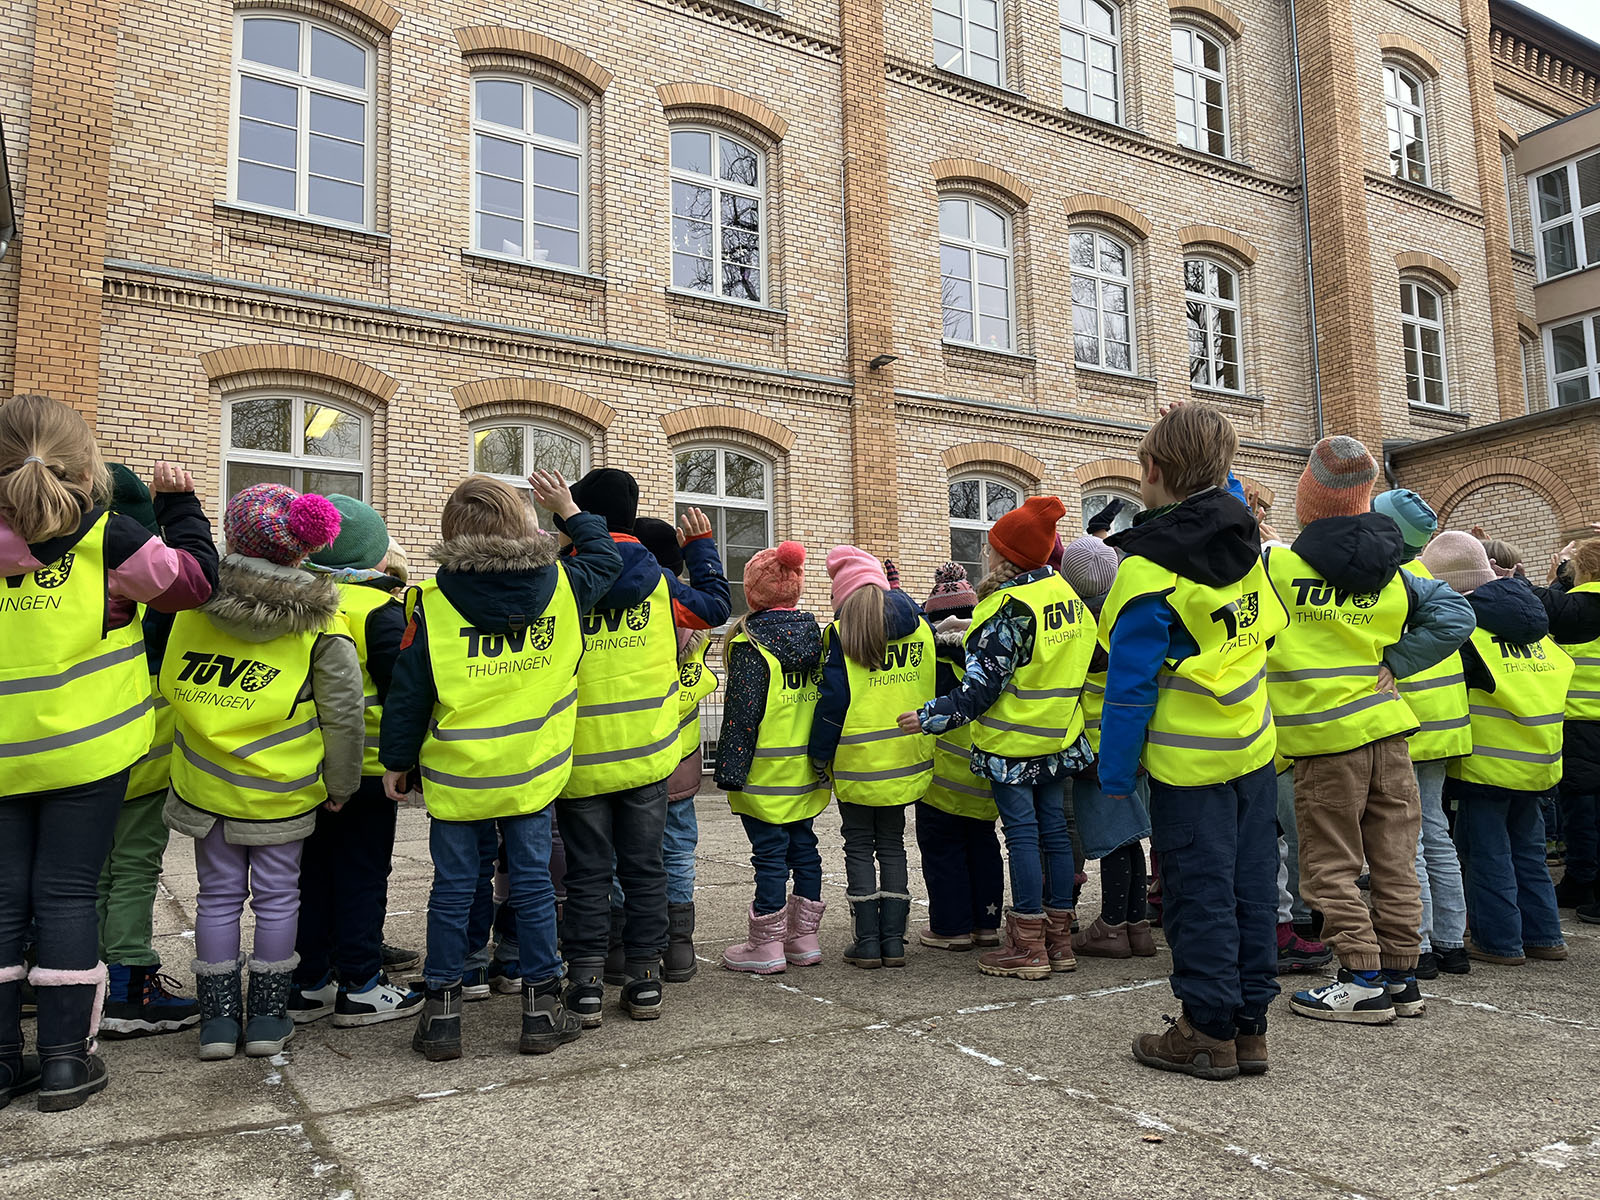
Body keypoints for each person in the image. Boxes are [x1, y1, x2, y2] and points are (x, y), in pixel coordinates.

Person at [0, 394, 215, 1113]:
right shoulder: (110, 539)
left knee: (2, 904)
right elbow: (192, 584)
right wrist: (180, 505)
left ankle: (3, 1063)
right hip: (89, 753)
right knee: (66, 895)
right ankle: (65, 1062)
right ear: (84, 466)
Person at [380, 473, 622, 1060]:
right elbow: (607, 557)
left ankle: (441, 1017)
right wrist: (568, 508)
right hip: (534, 768)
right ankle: (540, 1010)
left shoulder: (430, 605)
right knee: (535, 886)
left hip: (459, 774)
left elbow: (411, 691)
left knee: (454, 889)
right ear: (522, 526)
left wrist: (396, 762)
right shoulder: (565, 587)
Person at [1096, 404, 1287, 1081]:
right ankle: (1250, 1026)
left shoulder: (1147, 572)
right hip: (1254, 749)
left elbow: (1129, 688)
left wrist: (1114, 775)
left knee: (1198, 892)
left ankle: (1205, 1030)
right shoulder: (1247, 543)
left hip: (1188, 762)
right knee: (1252, 889)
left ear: (1150, 472)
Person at [1267, 438, 1473, 1028]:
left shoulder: (1279, 566)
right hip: (1390, 733)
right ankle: (1404, 975)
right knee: (1394, 858)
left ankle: (1360, 979)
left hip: (1326, 742)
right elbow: (1459, 615)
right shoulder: (1397, 573)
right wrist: (1398, 662)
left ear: (1308, 501)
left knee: (1330, 864)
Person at [163, 484, 361, 1063]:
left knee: (217, 899)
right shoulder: (324, 622)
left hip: (205, 781)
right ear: (302, 549)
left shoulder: (193, 602)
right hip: (283, 789)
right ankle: (270, 1019)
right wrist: (342, 783)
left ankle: (219, 1024)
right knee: (278, 899)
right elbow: (343, 713)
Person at [554, 469, 730, 1026]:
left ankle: (583, 982)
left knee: (587, 875)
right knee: (646, 869)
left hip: (580, 759)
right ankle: (645, 979)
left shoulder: (562, 581)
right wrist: (700, 550)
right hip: (649, 757)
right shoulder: (660, 583)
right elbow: (714, 609)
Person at [901, 495, 1094, 981]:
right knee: (1053, 834)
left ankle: (1027, 945)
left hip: (1013, 747)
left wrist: (928, 716)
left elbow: (978, 692)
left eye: (992, 547)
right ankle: (1059, 940)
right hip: (1060, 740)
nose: (986, 554)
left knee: (1024, 838)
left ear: (1007, 555)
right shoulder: (1070, 601)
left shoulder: (1009, 610)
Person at [286, 495, 421, 1028]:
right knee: (363, 875)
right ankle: (362, 983)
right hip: (366, 769)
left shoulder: (299, 600)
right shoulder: (378, 611)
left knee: (312, 876)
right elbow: (401, 693)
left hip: (304, 766)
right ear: (376, 556)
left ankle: (310, 981)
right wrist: (405, 759)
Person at [1423, 533, 1571, 965]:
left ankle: (1499, 941)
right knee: (1529, 852)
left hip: (1486, 763)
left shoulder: (1469, 628)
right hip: (1538, 760)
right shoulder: (1534, 622)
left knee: (1487, 855)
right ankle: (1545, 937)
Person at [95, 465, 202, 1040]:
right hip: (145, 741)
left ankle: (80, 985)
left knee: (87, 872)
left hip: (79, 744)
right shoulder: (154, 577)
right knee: (135, 865)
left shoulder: (53, 566)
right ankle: (129, 986)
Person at [811, 547, 934, 969]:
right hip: (905, 758)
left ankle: (867, 942)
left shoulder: (840, 636)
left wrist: (818, 759)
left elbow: (832, 707)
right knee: (894, 845)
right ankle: (894, 942)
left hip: (856, 763)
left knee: (859, 846)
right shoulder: (920, 629)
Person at [1373, 489, 1473, 979]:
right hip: (1444, 725)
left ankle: (1422, 945)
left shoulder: (1391, 581)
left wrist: (1392, 662)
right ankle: (1452, 943)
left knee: (1404, 841)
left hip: (1407, 723)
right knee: (1435, 832)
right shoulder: (1429, 578)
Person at [716, 542, 829, 972]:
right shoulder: (818, 637)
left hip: (764, 773)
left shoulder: (750, 645)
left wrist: (730, 772)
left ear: (753, 592)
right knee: (805, 849)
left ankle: (766, 945)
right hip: (807, 771)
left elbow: (742, 714)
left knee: (768, 854)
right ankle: (804, 939)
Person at [1058, 535, 1155, 960]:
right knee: (1129, 839)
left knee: (1113, 841)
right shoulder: (1124, 619)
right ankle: (1136, 925)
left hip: (1093, 752)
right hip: (1131, 745)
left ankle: (1112, 925)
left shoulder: (1079, 627)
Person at [634, 516, 723, 982]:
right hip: (683, 762)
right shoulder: (692, 618)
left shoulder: (636, 610)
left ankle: (625, 943)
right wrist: (701, 552)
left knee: (621, 855)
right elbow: (713, 605)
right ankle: (679, 947)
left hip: (631, 756)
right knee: (677, 851)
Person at [913, 563, 1004, 951]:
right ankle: (986, 923)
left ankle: (950, 928)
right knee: (984, 846)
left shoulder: (931, 661)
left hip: (941, 782)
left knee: (942, 849)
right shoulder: (986, 654)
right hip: (984, 774)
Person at [1537, 539, 1600, 919]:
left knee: (1582, 807)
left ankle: (1581, 883)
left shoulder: (1577, 607)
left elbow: (1545, 604)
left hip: (1578, 720)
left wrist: (1558, 575)